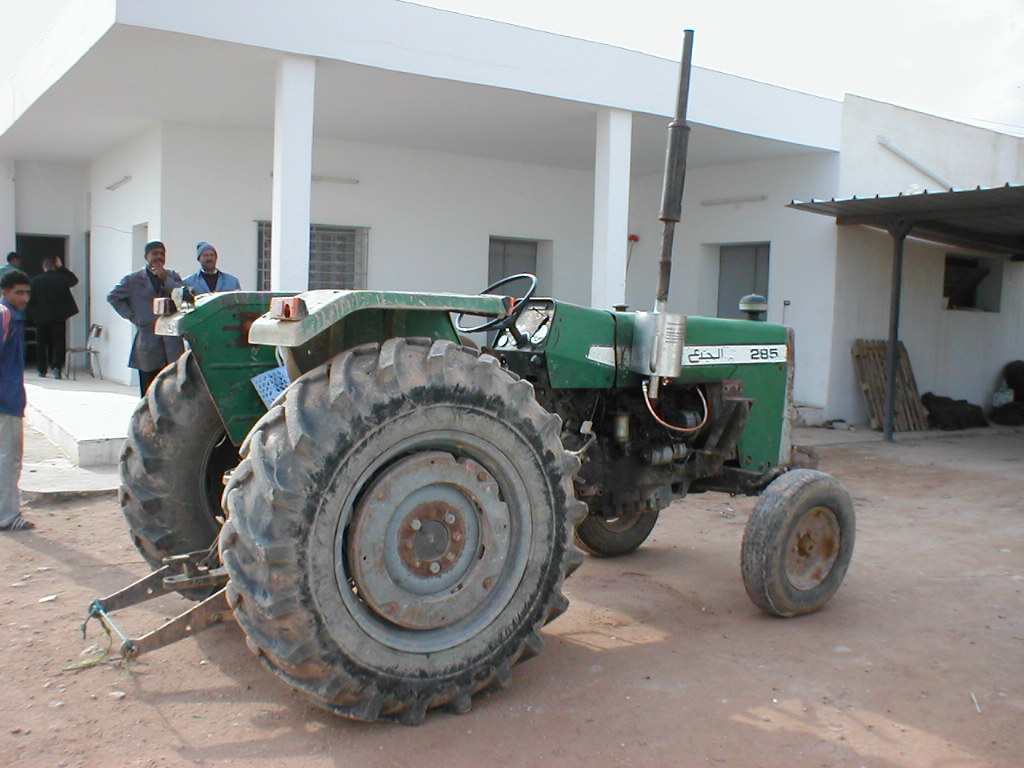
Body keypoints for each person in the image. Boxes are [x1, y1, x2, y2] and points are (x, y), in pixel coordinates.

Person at [107, 241, 185, 397]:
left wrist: (165, 279)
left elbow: (184, 297)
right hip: (148, 340)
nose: (159, 257)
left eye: (162, 254)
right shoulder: (133, 280)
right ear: (146, 256)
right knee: (149, 390)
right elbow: (113, 297)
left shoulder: (172, 276)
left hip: (171, 343)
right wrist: (134, 317)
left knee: (172, 390)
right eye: (155, 253)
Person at [0, 269, 34, 531]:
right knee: (9, 458)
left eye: (27, 292)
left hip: (9, 398)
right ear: (5, 292)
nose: (24, 298)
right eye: (18, 292)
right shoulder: (5, 315)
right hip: (6, 400)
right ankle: (7, 515)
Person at [28, 256, 79, 379]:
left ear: (43, 267)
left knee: (41, 343)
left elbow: (30, 300)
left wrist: (32, 315)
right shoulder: (61, 279)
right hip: (59, 317)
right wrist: (62, 268)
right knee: (58, 342)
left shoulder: (35, 281)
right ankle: (56, 367)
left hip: (41, 317)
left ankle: (42, 369)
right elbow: (74, 280)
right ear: (54, 266)